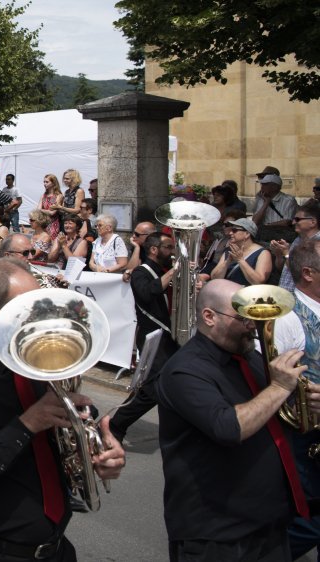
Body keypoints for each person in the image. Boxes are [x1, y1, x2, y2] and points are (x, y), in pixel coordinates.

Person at [0, 258, 125, 561]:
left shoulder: (36, 357)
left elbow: (64, 428)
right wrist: (28, 423)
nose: (39, 316)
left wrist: (95, 449)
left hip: (56, 547)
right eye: (27, 307)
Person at [157, 279, 308, 561]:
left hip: (268, 524)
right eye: (243, 317)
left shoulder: (247, 357)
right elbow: (229, 427)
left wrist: (301, 405)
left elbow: (271, 415)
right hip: (217, 534)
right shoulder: (184, 370)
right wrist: (279, 388)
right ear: (209, 317)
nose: (253, 324)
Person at [107, 233, 180, 442]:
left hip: (170, 337)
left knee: (176, 382)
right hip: (153, 337)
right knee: (151, 390)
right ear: (154, 250)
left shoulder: (163, 271)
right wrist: (176, 270)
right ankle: (115, 426)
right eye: (168, 247)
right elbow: (148, 293)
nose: (172, 251)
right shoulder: (141, 272)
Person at [273, 239, 320, 560]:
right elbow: (274, 382)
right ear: (308, 273)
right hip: (307, 440)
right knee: (307, 524)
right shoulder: (288, 317)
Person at [271, 202, 320, 292]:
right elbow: (283, 268)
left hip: (301, 299)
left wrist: (286, 253)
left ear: (313, 222)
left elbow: (301, 272)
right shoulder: (298, 240)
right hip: (284, 293)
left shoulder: (317, 243)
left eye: (297, 219)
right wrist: (278, 254)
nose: (293, 222)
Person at [210, 217, 272, 286]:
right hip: (226, 292)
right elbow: (214, 278)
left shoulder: (263, 253)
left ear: (247, 234)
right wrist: (227, 262)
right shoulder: (229, 250)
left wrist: (240, 260)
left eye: (234, 230)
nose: (230, 233)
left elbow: (258, 281)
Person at [251, 169, 297, 243]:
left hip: (281, 236)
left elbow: (287, 221)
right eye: (262, 184)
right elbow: (255, 221)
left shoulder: (288, 200)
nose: (262, 187)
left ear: (275, 187)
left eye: (265, 184)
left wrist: (267, 225)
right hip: (263, 235)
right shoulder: (261, 199)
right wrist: (266, 203)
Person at [36, 174, 63, 240]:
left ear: (53, 183)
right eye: (44, 182)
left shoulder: (58, 196)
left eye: (47, 182)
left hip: (53, 224)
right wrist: (47, 211)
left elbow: (52, 213)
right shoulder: (44, 195)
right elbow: (37, 209)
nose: (45, 184)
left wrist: (42, 210)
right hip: (43, 223)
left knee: (51, 242)